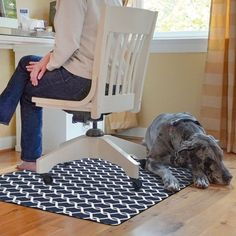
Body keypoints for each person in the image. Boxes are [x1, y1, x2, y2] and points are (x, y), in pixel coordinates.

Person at [0, 0, 122, 171]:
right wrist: (46, 60)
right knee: (27, 62)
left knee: (28, 89)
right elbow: (82, 43)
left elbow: (68, 45)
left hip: (86, 82)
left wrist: (48, 65)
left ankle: (30, 159)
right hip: (115, 84)